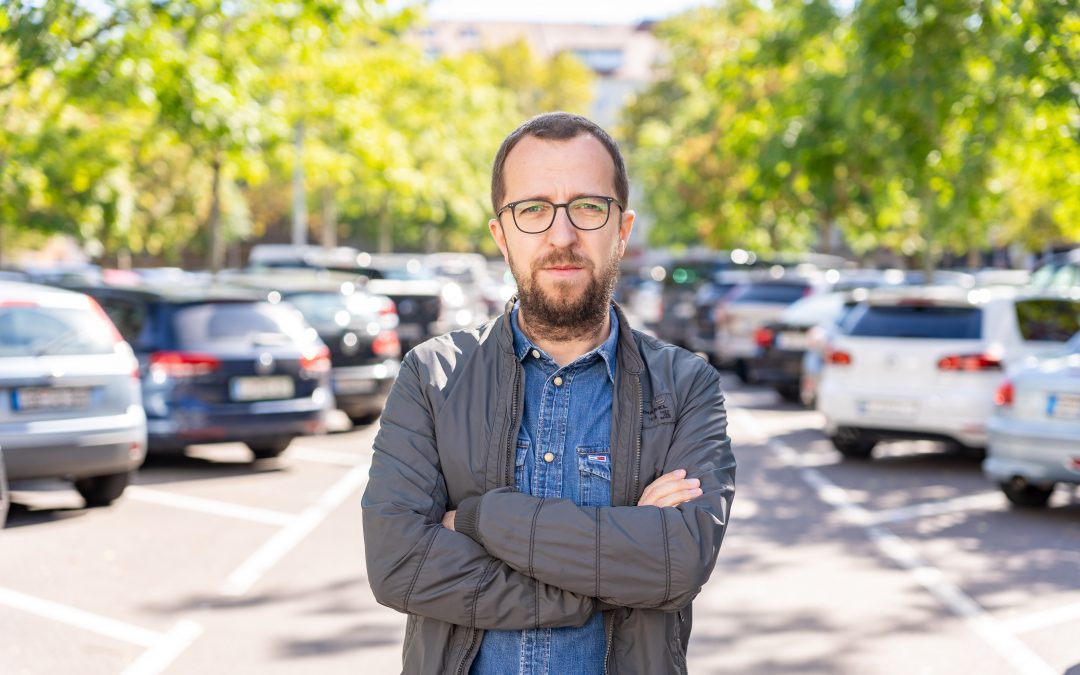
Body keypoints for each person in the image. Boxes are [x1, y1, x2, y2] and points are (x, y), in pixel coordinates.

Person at [362, 112, 736, 675]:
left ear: (622, 229)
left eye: (587, 206)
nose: (562, 236)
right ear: (501, 235)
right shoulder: (433, 376)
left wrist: (479, 519)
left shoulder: (686, 387)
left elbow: (675, 564)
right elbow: (399, 564)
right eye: (533, 209)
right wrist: (597, 582)